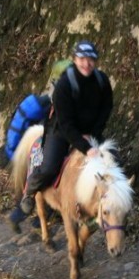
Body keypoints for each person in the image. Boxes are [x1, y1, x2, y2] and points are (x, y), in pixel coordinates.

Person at [10, 40, 114, 228]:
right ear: (74, 59)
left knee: (112, 161)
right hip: (61, 131)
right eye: (82, 59)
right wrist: (85, 147)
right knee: (49, 167)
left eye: (90, 59)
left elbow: (106, 108)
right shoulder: (64, 86)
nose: (86, 63)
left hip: (90, 132)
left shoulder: (102, 81)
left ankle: (109, 206)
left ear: (96, 61)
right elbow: (65, 123)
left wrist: (93, 134)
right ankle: (29, 194)